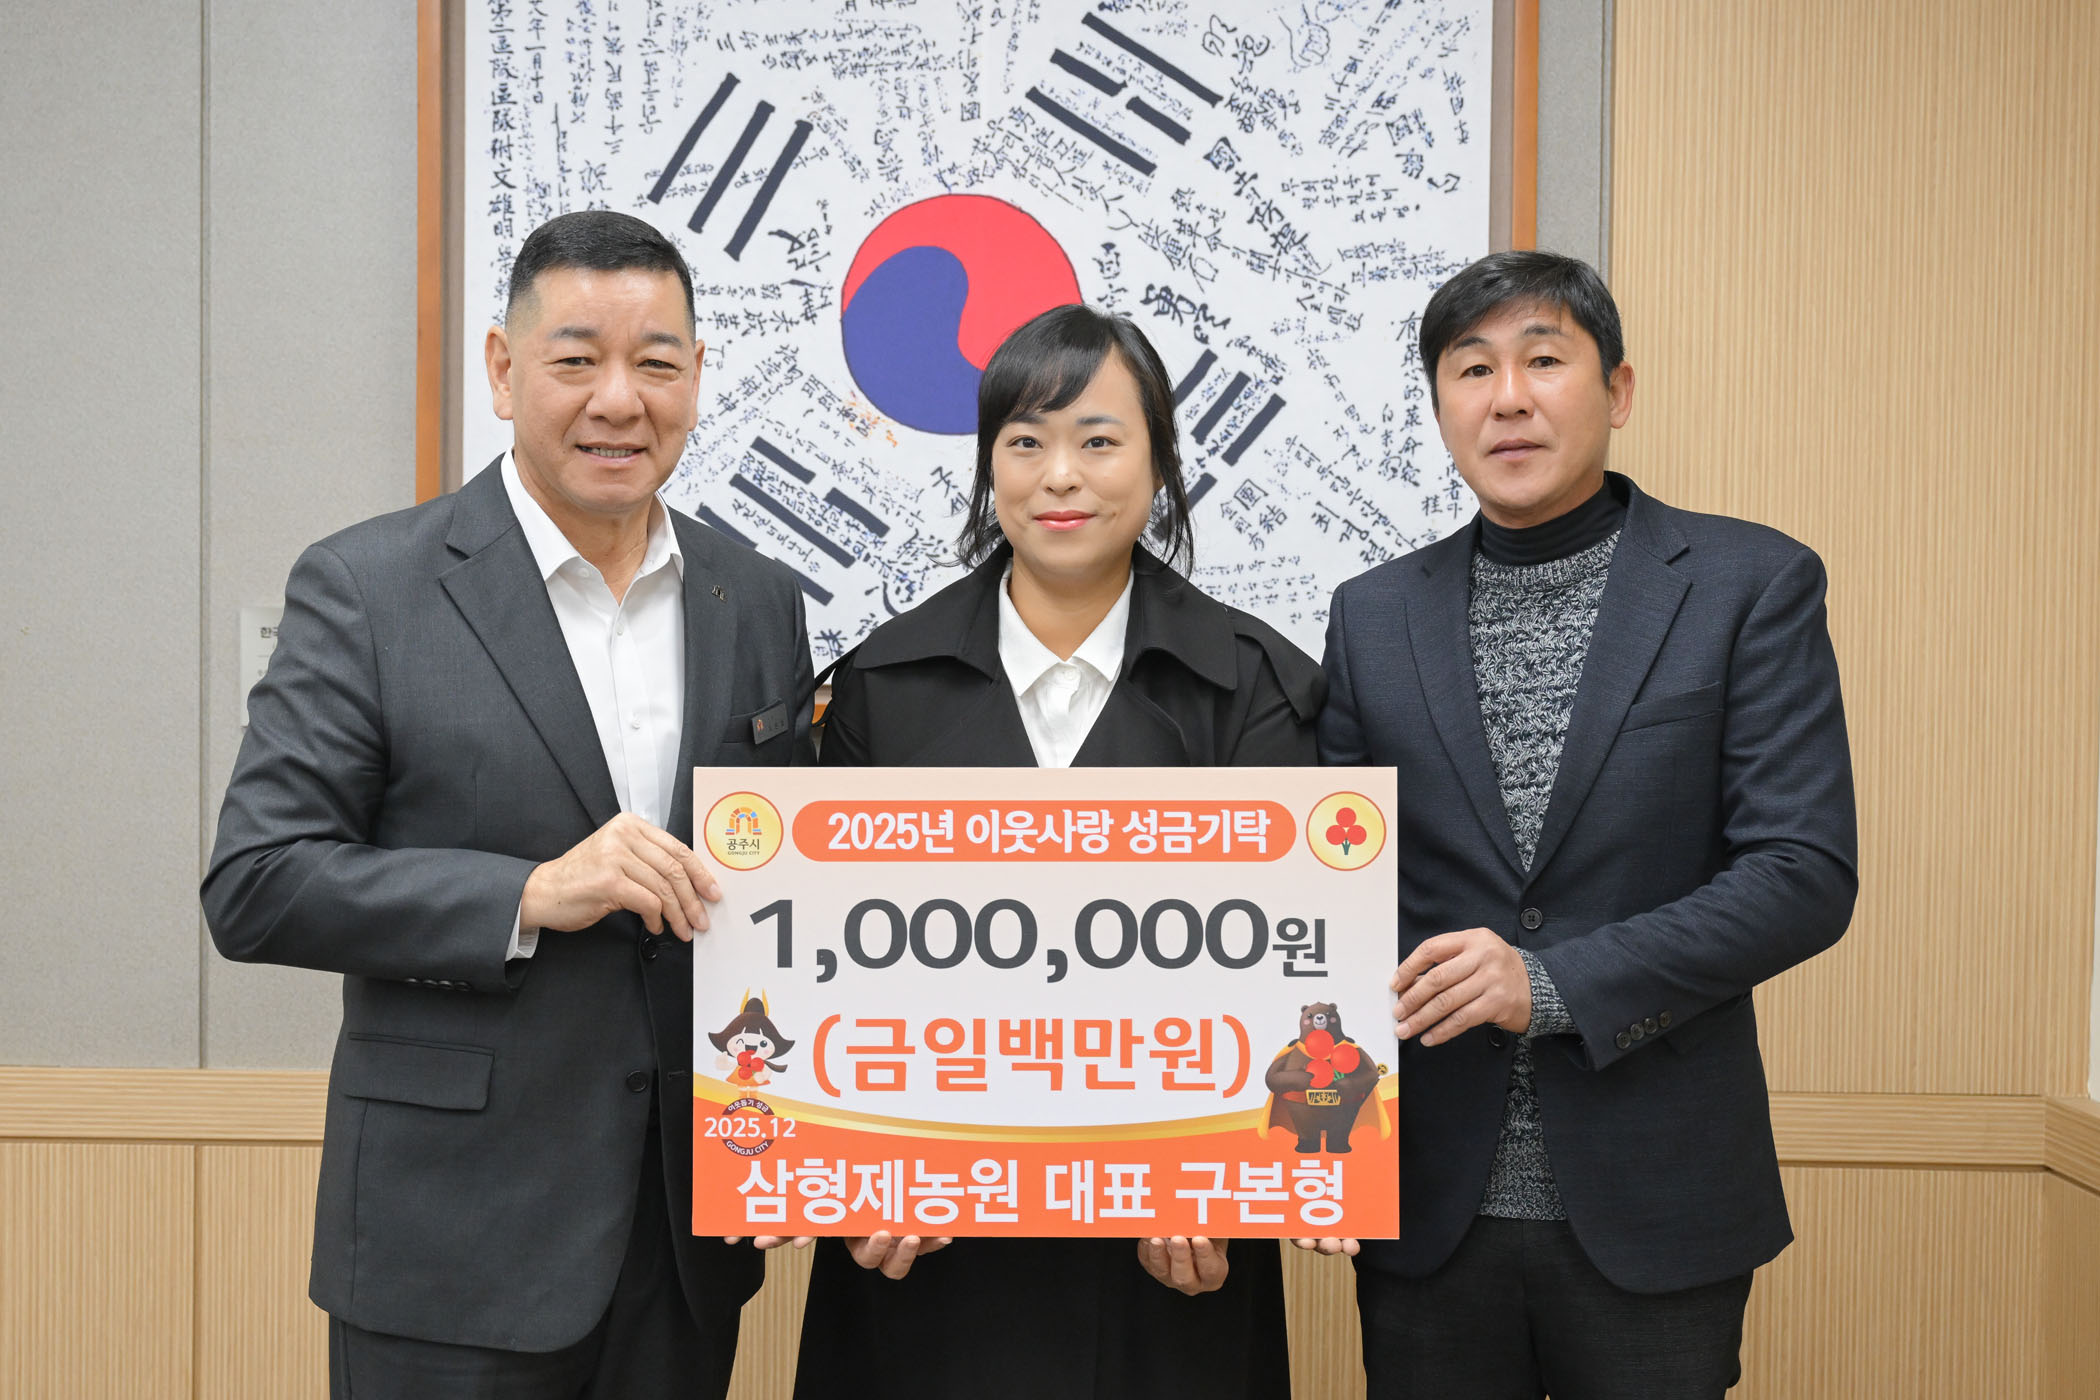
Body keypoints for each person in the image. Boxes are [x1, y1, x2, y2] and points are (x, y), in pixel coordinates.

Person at [202, 210, 815, 1399]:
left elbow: (788, 902)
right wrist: (529, 892)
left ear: (697, 376)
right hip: (450, 1241)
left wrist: (804, 1133)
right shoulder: (370, 587)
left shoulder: (758, 598)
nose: (618, 400)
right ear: (501, 368)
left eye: (656, 362)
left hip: (684, 1243)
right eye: (576, 358)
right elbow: (257, 882)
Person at [1312, 249, 1857, 1396]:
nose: (1507, 397)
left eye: (1543, 360)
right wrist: (1314, 1145)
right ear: (1440, 406)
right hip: (1426, 1206)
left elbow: (1802, 870)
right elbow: (1328, 905)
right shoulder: (1371, 615)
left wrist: (1550, 981)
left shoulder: (1748, 584)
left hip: (1658, 1199)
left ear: (1617, 390)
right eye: (1472, 369)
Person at [788, 304, 1321, 1400]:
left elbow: (1297, 976)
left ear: (1160, 464)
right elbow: (823, 968)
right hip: (930, 1245)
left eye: (1099, 439)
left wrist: (1231, 1191)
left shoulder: (1256, 683)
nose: (1060, 475)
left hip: (1169, 1246)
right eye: (1025, 441)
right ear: (989, 467)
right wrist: (853, 1180)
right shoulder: (883, 684)